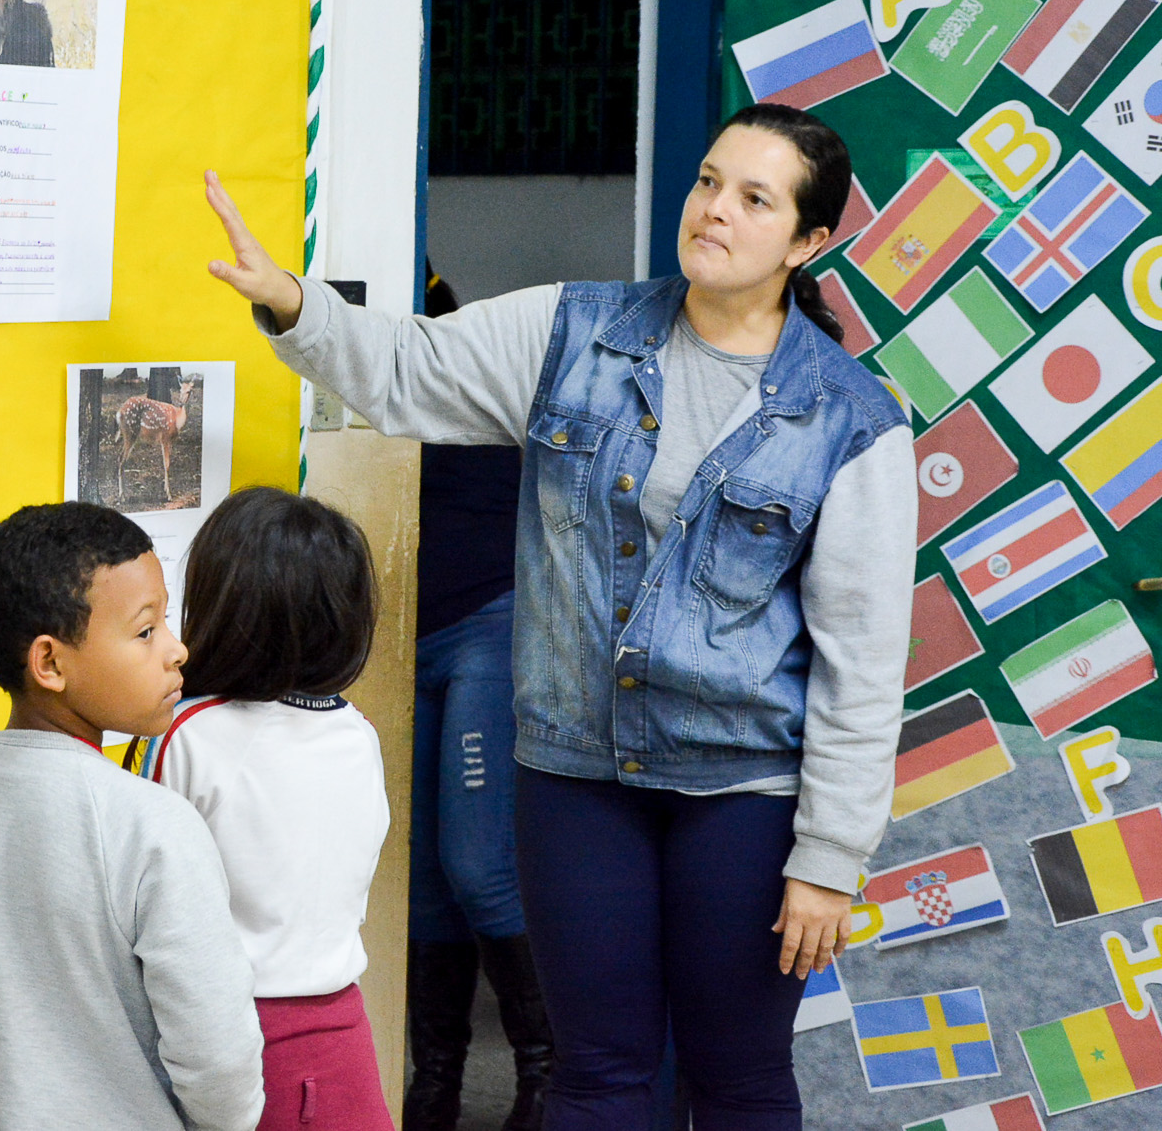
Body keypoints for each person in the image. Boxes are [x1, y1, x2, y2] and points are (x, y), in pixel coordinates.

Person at [198, 102, 915, 1131]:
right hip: (576, 771)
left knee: (740, 1078)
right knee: (597, 1074)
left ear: (809, 240)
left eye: (754, 198)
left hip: (745, 790)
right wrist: (291, 304)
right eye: (709, 180)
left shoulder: (854, 420)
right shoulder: (573, 331)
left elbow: (863, 662)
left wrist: (828, 859)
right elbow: (409, 369)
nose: (714, 210)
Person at [0, 502, 266, 1131]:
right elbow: (218, 1057)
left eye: (166, 621)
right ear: (50, 663)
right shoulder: (152, 826)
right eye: (145, 632)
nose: (176, 649)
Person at [135, 486, 390, 1131]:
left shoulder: (184, 731)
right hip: (346, 1042)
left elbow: (135, 899)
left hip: (232, 1047)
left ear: (220, 603)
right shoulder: (357, 731)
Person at [405, 267, 551, 1131]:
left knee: (479, 865)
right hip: (403, 641)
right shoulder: (380, 380)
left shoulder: (493, 374)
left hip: (490, 629)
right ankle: (435, 1088)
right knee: (423, 881)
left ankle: (543, 1075)